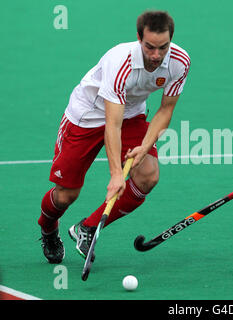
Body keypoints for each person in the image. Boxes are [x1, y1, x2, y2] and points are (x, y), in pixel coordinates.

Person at [38, 10, 190, 263]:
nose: (156, 55)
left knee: (148, 175)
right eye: (150, 47)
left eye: (163, 47)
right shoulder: (120, 61)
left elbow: (165, 110)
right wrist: (117, 174)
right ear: (139, 38)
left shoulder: (179, 62)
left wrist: (145, 146)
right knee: (66, 194)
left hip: (131, 115)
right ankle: (48, 227)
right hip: (87, 117)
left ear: (171, 40)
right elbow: (112, 123)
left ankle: (86, 228)